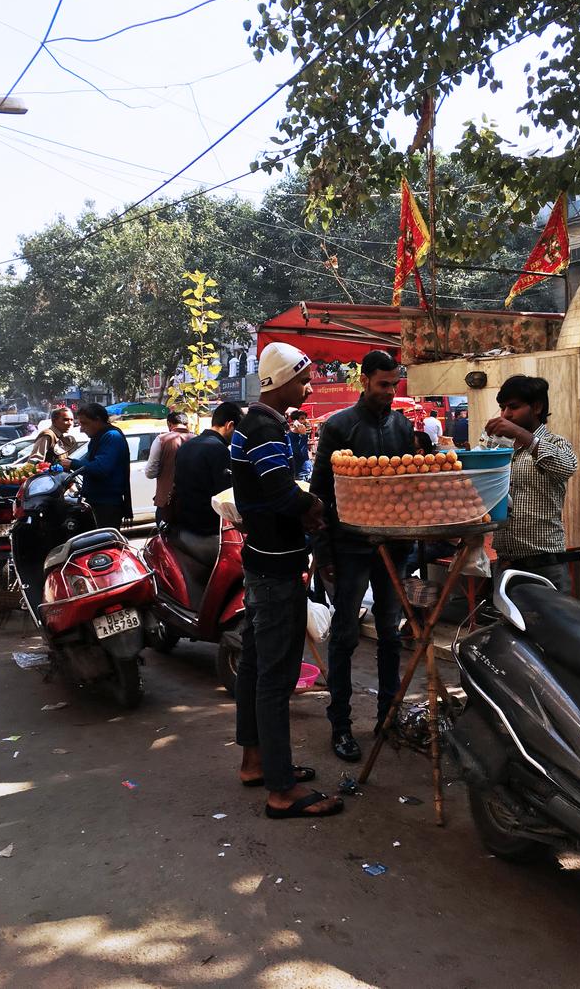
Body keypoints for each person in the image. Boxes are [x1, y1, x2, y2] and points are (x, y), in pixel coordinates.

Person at [232, 341, 342, 820]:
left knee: (257, 666)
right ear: (278, 383)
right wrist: (314, 510)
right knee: (276, 678)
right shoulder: (265, 427)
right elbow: (278, 489)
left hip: (261, 560)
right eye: (302, 379)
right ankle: (280, 791)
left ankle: (256, 762)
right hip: (276, 566)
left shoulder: (253, 423)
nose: (309, 385)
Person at [311, 349, 415, 762]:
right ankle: (340, 725)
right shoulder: (338, 427)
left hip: (393, 547)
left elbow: (407, 487)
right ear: (365, 380)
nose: (389, 392)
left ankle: (387, 719)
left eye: (394, 385)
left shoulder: (404, 427)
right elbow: (319, 495)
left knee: (391, 634)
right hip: (349, 547)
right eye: (382, 385)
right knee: (345, 635)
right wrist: (323, 554)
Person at [486, 375, 577, 594]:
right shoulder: (499, 449)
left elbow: (566, 467)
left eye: (513, 407)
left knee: (551, 627)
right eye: (502, 408)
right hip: (506, 565)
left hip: (545, 566)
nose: (506, 414)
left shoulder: (557, 443)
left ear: (536, 407)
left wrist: (522, 435)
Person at [171, 402, 242, 536]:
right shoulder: (219, 450)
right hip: (208, 529)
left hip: (184, 525)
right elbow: (226, 496)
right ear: (229, 425)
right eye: (237, 431)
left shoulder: (187, 446)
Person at [61, 404, 132, 529]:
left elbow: (100, 468)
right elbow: (88, 462)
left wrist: (73, 464)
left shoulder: (112, 437)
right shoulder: (98, 438)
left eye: (84, 423)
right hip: (95, 501)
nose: (81, 429)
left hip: (106, 504)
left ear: (98, 420)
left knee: (103, 544)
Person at [144, 411, 193, 524]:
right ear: (186, 423)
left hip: (167, 503)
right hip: (192, 502)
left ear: (169, 424)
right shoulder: (197, 439)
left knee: (166, 538)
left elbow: (150, 473)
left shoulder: (161, 440)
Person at [288, 409, 312, 481]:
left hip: (308, 471)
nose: (305, 421)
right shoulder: (290, 436)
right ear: (295, 422)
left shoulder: (301, 435)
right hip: (301, 474)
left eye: (305, 418)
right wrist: (304, 435)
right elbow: (301, 453)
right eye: (302, 419)